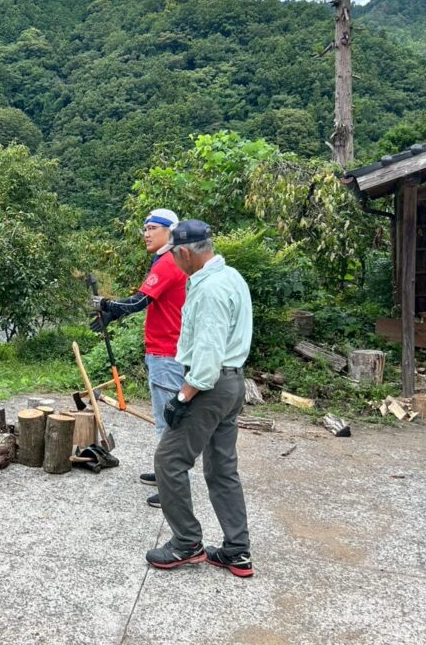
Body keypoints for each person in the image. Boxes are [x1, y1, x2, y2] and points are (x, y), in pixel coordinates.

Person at [145, 219, 254, 577]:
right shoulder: (231, 277)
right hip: (233, 382)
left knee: (168, 460)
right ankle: (237, 550)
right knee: (222, 468)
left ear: (185, 253)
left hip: (209, 386)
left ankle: (186, 542)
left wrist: (182, 396)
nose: (174, 262)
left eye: (174, 255)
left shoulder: (208, 290)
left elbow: (207, 356)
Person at [91, 208, 187, 508]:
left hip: (167, 353)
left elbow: (140, 301)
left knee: (168, 423)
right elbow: (150, 301)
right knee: (166, 419)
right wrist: (112, 313)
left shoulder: (169, 262)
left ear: (170, 231)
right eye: (144, 228)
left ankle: (173, 490)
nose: (146, 233)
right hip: (167, 350)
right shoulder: (169, 259)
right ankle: (165, 474)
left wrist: (107, 305)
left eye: (152, 228)